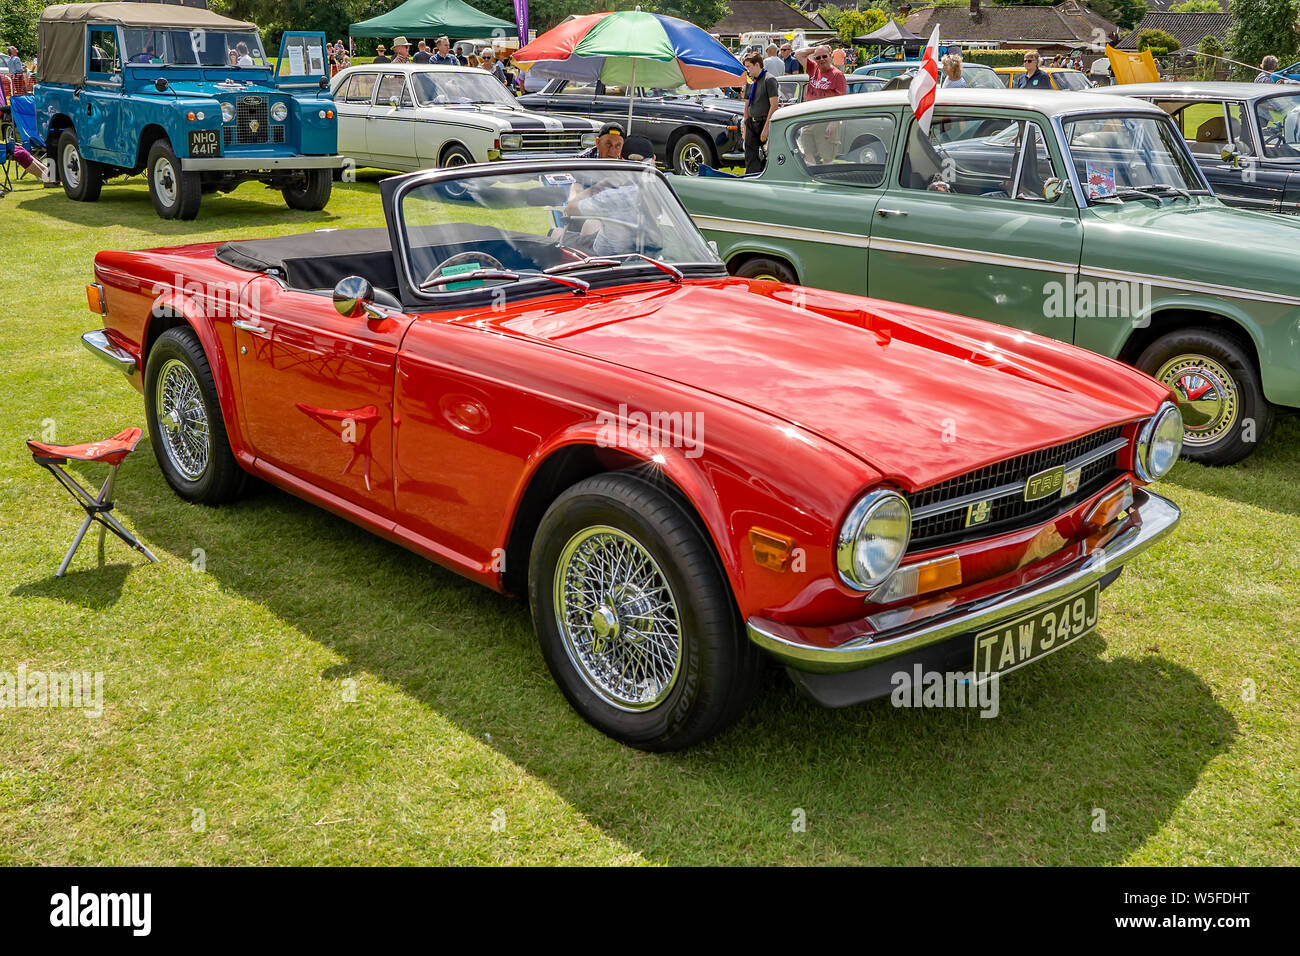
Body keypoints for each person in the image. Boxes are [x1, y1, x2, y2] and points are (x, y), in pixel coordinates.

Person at [742, 51, 778, 174]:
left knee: (768, 156)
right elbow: (747, 105)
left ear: (757, 64)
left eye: (749, 66)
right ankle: (751, 178)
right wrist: (745, 128)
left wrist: (766, 129)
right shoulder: (750, 82)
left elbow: (774, 105)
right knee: (750, 156)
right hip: (751, 123)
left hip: (764, 122)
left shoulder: (769, 79)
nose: (747, 70)